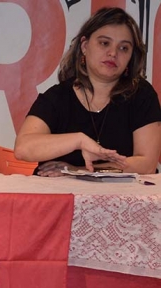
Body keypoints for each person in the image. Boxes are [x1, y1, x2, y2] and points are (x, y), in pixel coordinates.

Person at [14, 7, 161, 177]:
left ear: (131, 57)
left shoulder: (142, 95)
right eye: (104, 43)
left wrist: (78, 171)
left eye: (124, 48)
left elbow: (146, 164)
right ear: (84, 46)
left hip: (121, 200)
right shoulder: (58, 97)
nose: (113, 53)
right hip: (60, 199)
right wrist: (78, 140)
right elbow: (23, 148)